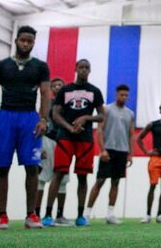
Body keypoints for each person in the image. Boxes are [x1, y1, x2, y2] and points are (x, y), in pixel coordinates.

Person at [0, 25, 50, 230]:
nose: (26, 43)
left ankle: (31, 215)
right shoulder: (1, 66)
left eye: (30, 41)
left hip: (29, 119)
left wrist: (43, 119)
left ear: (33, 43)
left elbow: (45, 94)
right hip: (6, 117)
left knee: (32, 167)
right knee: (2, 167)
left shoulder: (40, 67)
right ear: (16, 40)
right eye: (23, 40)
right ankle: (2, 216)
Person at [44, 59, 105, 227]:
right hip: (65, 137)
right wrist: (69, 128)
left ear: (90, 70)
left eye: (87, 68)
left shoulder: (95, 91)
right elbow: (55, 115)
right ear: (76, 68)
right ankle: (48, 215)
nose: (84, 70)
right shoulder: (65, 90)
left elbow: (102, 116)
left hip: (85, 139)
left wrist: (86, 117)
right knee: (58, 174)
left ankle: (80, 216)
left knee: (82, 177)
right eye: (81, 67)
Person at [84, 84, 134, 224]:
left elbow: (131, 135)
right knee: (100, 181)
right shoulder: (106, 110)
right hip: (108, 150)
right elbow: (99, 130)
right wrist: (102, 149)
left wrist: (130, 154)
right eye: (121, 94)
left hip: (122, 151)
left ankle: (110, 214)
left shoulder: (130, 113)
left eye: (126, 95)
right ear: (116, 94)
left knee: (116, 182)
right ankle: (86, 214)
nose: (123, 97)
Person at [37, 78, 72, 227]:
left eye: (60, 85)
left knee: (63, 180)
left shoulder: (69, 106)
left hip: (64, 142)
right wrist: (39, 147)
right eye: (55, 85)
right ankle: (36, 214)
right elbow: (39, 125)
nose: (58, 87)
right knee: (42, 178)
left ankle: (59, 215)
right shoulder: (46, 106)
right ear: (51, 89)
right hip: (48, 141)